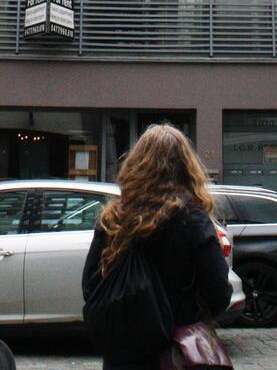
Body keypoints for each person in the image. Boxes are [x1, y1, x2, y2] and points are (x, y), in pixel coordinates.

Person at [82, 124, 232, 370]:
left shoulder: (114, 218)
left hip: (123, 355)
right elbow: (218, 292)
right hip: (174, 353)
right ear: (186, 168)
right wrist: (185, 314)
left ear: (136, 166)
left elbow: (91, 287)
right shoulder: (191, 219)